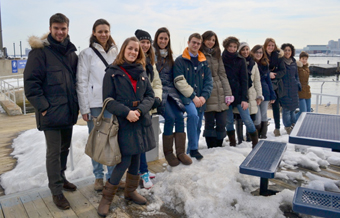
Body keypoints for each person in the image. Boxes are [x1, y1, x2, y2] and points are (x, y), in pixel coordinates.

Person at [24, 13, 78, 210]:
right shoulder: (39, 53)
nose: (60, 32)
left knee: (65, 149)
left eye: (63, 28)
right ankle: (56, 191)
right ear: (50, 29)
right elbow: (31, 84)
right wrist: (44, 107)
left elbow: (74, 82)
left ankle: (62, 179)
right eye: (56, 28)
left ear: (67, 29)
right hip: (51, 112)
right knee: (53, 152)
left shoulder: (71, 53)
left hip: (68, 112)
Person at [98, 37, 156, 217]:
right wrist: (127, 112)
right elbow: (107, 100)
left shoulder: (143, 70)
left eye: (136, 50)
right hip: (124, 122)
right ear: (123, 49)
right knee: (124, 160)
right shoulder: (112, 72)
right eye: (130, 49)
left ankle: (130, 192)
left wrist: (139, 110)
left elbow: (150, 95)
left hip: (141, 119)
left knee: (138, 156)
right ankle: (106, 198)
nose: (133, 52)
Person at [76, 19, 117, 192]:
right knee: (96, 141)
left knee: (113, 140)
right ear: (94, 32)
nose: (103, 34)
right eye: (100, 31)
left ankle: (112, 177)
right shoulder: (86, 54)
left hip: (113, 103)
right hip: (95, 104)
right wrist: (84, 108)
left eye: (106, 31)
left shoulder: (116, 52)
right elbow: (82, 81)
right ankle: (98, 176)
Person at [153, 27, 192, 166]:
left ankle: (180, 152)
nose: (163, 41)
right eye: (161, 38)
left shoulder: (170, 56)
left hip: (171, 91)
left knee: (180, 117)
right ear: (156, 39)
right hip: (159, 92)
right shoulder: (152, 55)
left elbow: (174, 76)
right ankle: (168, 153)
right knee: (169, 118)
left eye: (165, 38)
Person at [174, 33, 213, 160]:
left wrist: (204, 97)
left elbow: (209, 81)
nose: (195, 45)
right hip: (187, 98)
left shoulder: (204, 62)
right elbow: (179, 81)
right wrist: (193, 96)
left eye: (198, 43)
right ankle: (194, 149)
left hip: (201, 98)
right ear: (188, 42)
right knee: (192, 115)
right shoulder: (180, 60)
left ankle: (191, 150)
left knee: (197, 125)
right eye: (193, 42)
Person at [134, 29, 162, 189]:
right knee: (139, 141)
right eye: (142, 42)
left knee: (143, 140)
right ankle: (142, 172)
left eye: (147, 42)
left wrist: (156, 98)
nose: (144, 45)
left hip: (148, 107)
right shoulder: (133, 61)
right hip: (137, 108)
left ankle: (141, 169)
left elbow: (157, 83)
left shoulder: (150, 63)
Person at [222, 36, 258, 148]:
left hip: (239, 94)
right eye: (230, 46)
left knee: (247, 119)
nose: (232, 49)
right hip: (226, 94)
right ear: (226, 46)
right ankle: (233, 143)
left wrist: (245, 99)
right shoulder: (221, 58)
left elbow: (244, 80)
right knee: (229, 121)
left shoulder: (240, 60)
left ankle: (255, 143)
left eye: (234, 47)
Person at [199, 31, 233, 148]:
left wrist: (228, 93)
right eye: (208, 39)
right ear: (203, 40)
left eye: (213, 40)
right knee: (209, 122)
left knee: (221, 122)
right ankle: (211, 147)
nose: (211, 42)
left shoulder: (217, 54)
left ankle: (219, 146)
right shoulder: (200, 54)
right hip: (207, 91)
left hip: (220, 91)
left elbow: (222, 74)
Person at [236, 42, 263, 143]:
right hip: (239, 92)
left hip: (251, 93)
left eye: (247, 49)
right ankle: (239, 139)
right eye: (243, 49)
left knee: (250, 116)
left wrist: (259, 95)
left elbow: (257, 81)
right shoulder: (236, 62)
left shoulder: (253, 63)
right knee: (239, 117)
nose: (245, 52)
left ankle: (249, 139)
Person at [251, 45, 276, 138]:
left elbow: (269, 81)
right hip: (254, 93)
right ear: (253, 52)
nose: (259, 54)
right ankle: (255, 136)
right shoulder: (251, 63)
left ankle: (263, 135)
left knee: (264, 115)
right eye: (257, 52)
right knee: (257, 117)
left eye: (261, 52)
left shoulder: (265, 64)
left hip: (265, 92)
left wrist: (272, 94)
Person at [264, 38, 286, 137]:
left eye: (272, 45)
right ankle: (262, 127)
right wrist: (268, 74)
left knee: (276, 107)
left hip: (275, 84)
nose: (271, 47)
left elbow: (283, 71)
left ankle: (277, 128)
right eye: (269, 45)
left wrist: (275, 75)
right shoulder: (261, 55)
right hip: (263, 83)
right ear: (265, 46)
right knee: (262, 107)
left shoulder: (279, 56)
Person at [280, 43, 301, 135]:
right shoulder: (280, 61)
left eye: (289, 50)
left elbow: (296, 75)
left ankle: (294, 124)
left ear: (292, 51)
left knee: (293, 109)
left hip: (293, 88)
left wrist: (298, 84)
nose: (287, 52)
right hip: (284, 89)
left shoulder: (293, 61)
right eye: (285, 50)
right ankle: (287, 127)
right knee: (286, 109)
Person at [295, 51, 311, 121]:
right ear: (300, 59)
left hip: (307, 92)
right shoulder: (297, 67)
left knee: (308, 111)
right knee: (303, 111)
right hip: (300, 91)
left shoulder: (307, 67)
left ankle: (303, 124)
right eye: (303, 58)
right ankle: (293, 121)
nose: (304, 60)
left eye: (306, 59)